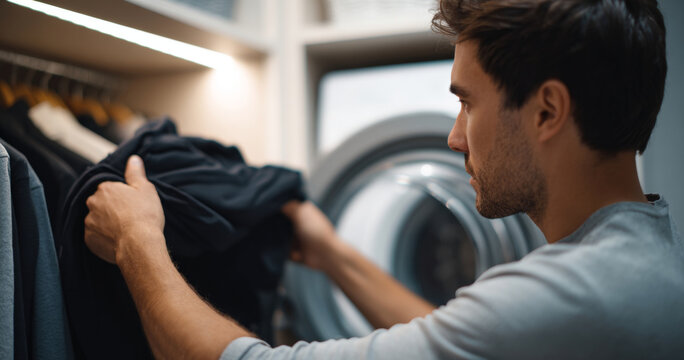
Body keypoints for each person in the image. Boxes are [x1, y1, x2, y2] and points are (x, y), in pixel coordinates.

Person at [83, 0, 683, 358]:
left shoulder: (578, 293)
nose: (454, 137)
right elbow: (457, 338)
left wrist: (140, 244)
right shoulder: (628, 261)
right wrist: (334, 256)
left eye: (468, 103)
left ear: (547, 111)